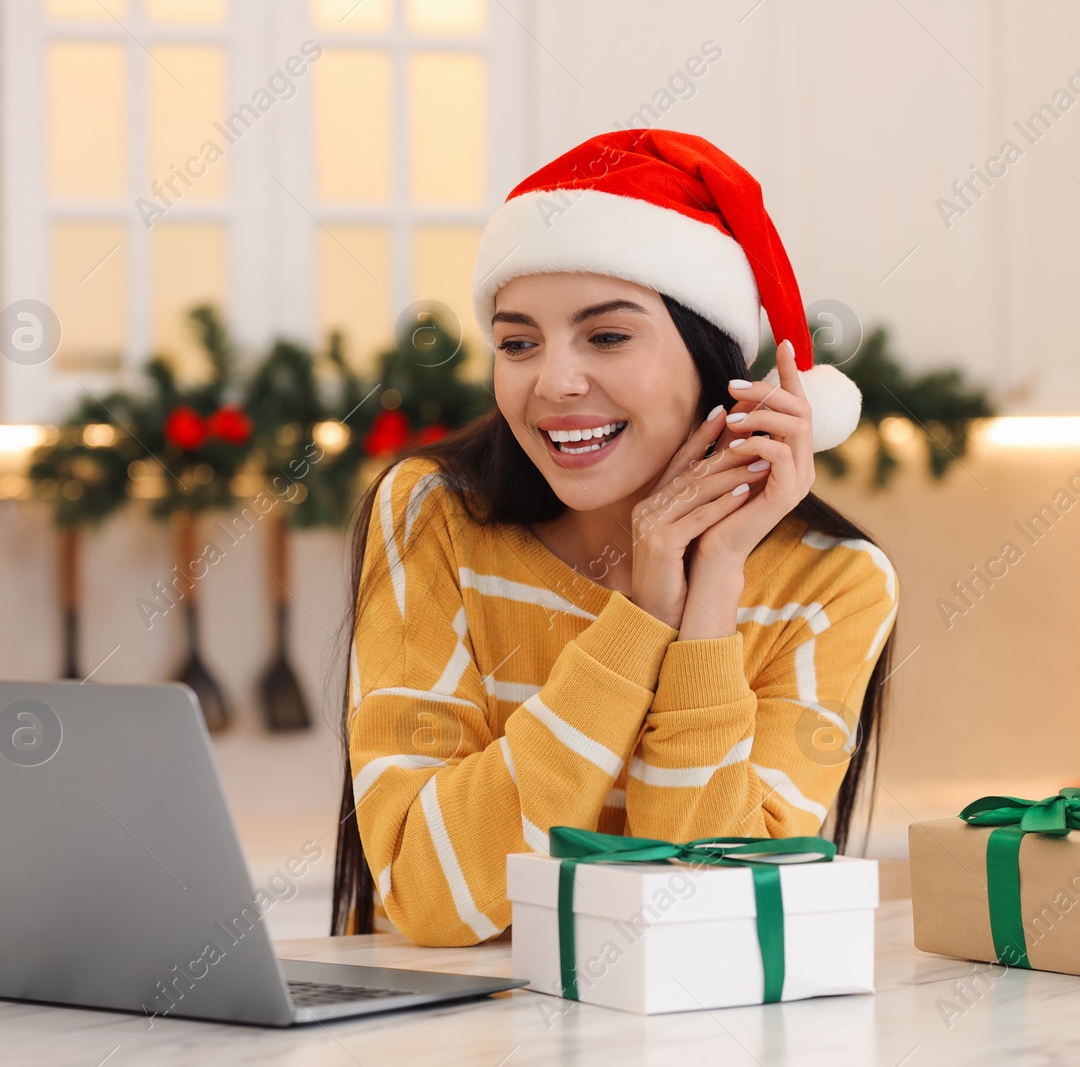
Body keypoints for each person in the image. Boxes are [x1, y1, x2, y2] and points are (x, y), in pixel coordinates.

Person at [330, 130, 899, 945]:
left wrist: (711, 588)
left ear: (717, 364)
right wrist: (639, 618)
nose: (553, 382)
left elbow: (714, 915)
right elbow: (430, 894)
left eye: (607, 336)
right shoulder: (434, 515)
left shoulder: (836, 584)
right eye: (518, 341)